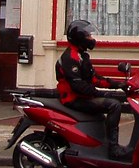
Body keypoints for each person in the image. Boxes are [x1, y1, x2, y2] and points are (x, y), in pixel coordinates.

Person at [56, 19, 132, 159]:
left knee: (109, 105)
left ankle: (100, 144)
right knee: (114, 106)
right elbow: (78, 86)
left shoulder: (81, 56)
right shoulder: (70, 57)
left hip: (81, 96)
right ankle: (113, 149)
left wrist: (118, 85)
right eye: (88, 36)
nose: (92, 39)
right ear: (80, 37)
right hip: (73, 99)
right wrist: (101, 93)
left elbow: (94, 79)